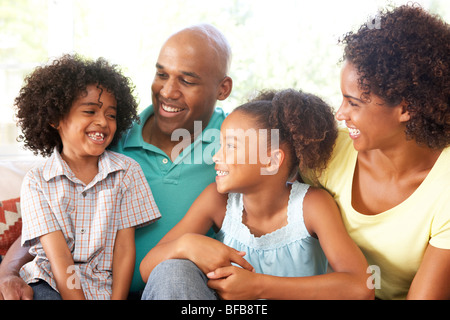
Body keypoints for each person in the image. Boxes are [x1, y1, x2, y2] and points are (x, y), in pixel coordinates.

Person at [0, 23, 232, 299]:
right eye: (161, 74)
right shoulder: (108, 140)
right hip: (80, 289)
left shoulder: (241, 143)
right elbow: (48, 230)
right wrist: (7, 273)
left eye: (187, 80)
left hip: (181, 288)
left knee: (174, 272)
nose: (168, 92)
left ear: (223, 88)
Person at [139, 89, 375, 300]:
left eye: (230, 146)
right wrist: (186, 244)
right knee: (172, 270)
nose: (216, 157)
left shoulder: (312, 205)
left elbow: (361, 286)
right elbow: (149, 268)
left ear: (271, 161)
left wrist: (259, 287)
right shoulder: (218, 200)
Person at [314, 4, 450, 299]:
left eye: (353, 103)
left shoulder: (445, 187)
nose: (340, 114)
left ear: (406, 108)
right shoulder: (330, 151)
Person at [11, 54, 161, 300]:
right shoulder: (37, 182)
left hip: (104, 286)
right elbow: (59, 258)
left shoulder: (127, 172)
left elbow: (123, 249)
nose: (102, 122)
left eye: (111, 115)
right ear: (54, 119)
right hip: (51, 283)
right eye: (90, 111)